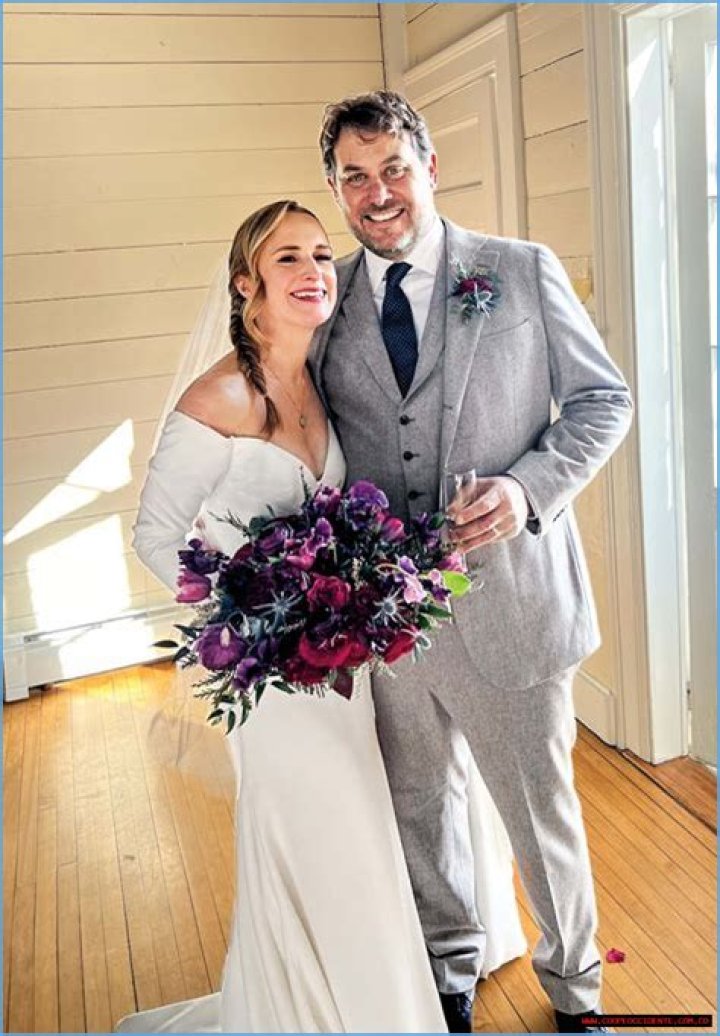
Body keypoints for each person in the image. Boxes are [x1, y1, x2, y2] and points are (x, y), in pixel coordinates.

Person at [123, 199, 525, 1034]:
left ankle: (381, 999)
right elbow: (155, 534)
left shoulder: (319, 377)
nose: (313, 271)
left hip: (343, 662)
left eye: (318, 253)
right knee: (319, 829)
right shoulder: (217, 397)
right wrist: (254, 616)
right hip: (274, 677)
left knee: (364, 823)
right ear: (246, 285)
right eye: (287, 259)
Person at [311, 91, 634, 1035]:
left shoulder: (520, 270)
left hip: (513, 607)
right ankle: (447, 977)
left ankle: (577, 993)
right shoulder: (325, 300)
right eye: (355, 177)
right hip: (388, 620)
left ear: (430, 167)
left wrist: (527, 490)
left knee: (542, 815)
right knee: (420, 808)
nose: (378, 194)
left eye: (393, 169)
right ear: (335, 188)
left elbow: (603, 402)